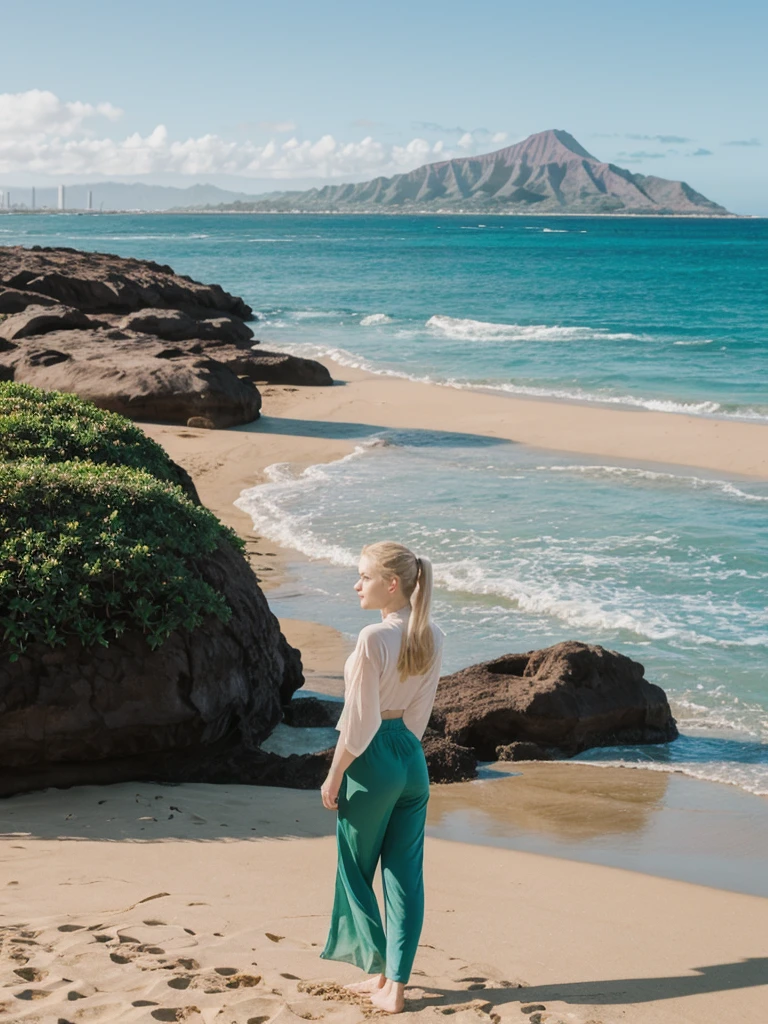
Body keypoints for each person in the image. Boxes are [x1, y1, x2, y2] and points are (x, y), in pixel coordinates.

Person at [320, 541, 444, 1014]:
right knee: (404, 876)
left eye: (364, 577)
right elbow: (418, 714)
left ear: (391, 584)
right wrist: (400, 752)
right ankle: (392, 984)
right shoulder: (433, 634)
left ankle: (376, 965)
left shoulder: (373, 637)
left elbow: (359, 721)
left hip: (372, 759)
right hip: (411, 759)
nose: (357, 585)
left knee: (354, 870)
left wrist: (335, 777)